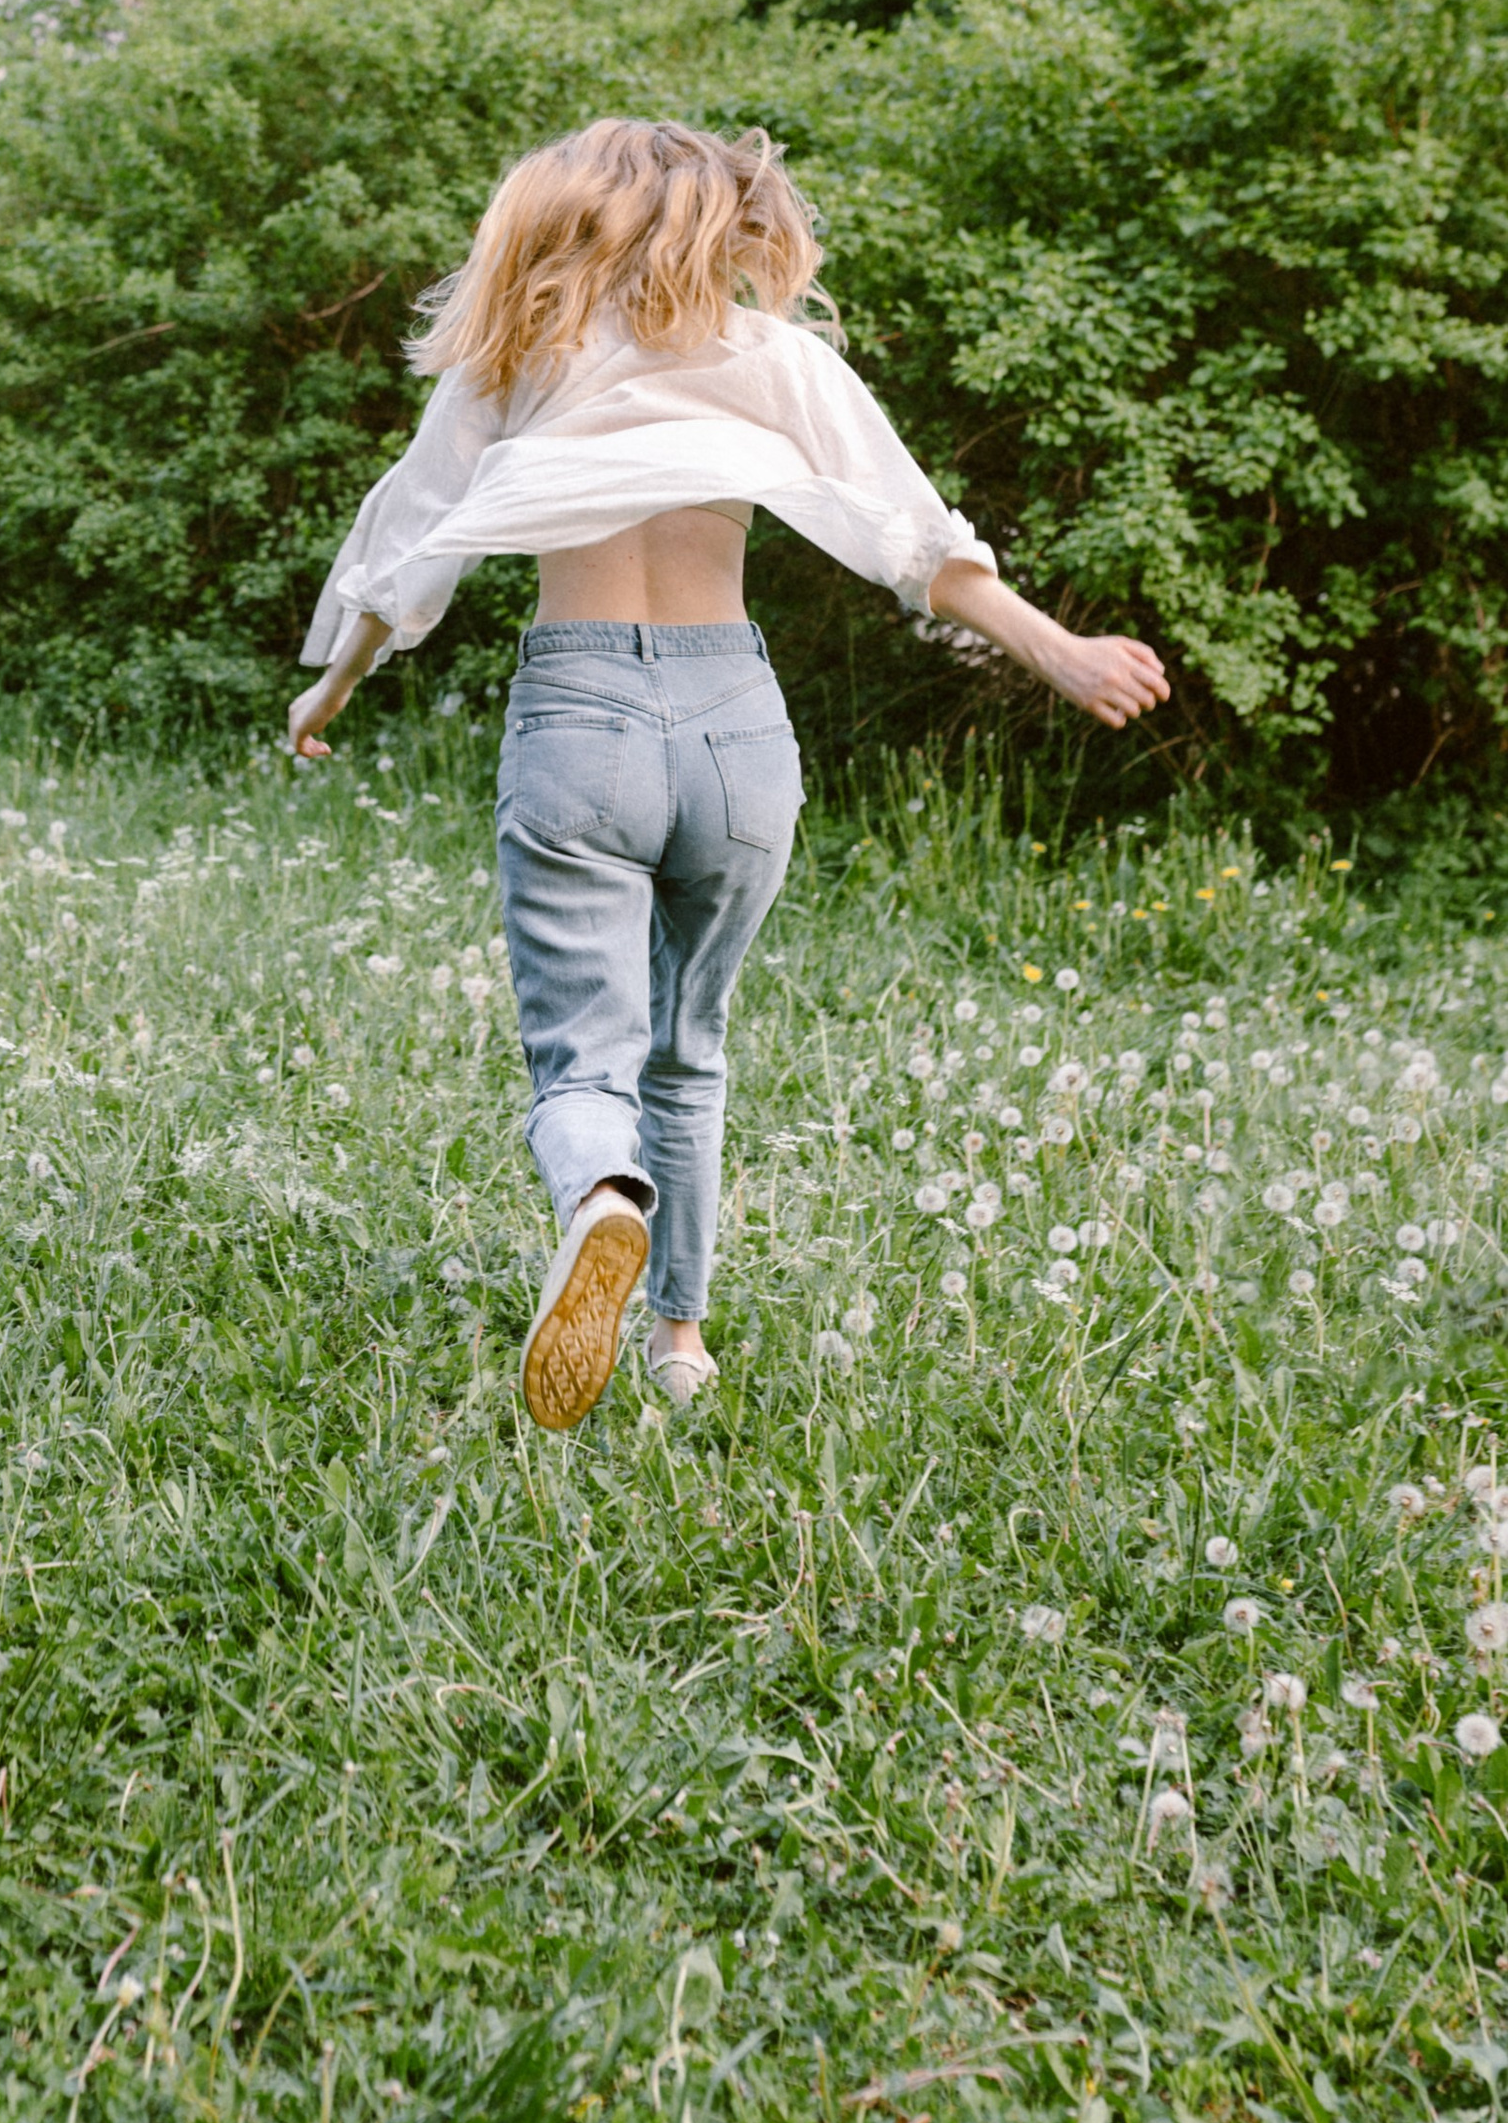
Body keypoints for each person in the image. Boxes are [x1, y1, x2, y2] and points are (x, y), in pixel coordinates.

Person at [288, 120, 1168, 1434]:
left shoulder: (516, 354)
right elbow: (915, 533)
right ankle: (681, 1347)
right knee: (687, 1053)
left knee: (585, 1066)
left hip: (582, 713)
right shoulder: (773, 361)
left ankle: (600, 1201)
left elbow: (408, 543)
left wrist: (334, 683)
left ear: (561, 220)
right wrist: (1062, 649)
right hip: (737, 731)